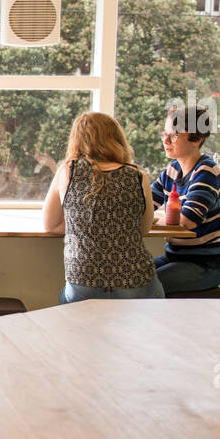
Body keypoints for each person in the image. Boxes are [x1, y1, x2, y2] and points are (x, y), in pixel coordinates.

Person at [42, 111, 163, 303]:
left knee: (68, 309)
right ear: (117, 139)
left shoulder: (67, 171)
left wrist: (84, 225)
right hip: (135, 282)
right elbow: (143, 228)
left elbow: (50, 225)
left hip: (84, 281)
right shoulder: (138, 175)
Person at [151, 106, 220, 293]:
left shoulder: (207, 172)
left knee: (146, 286)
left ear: (197, 139)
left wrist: (150, 219)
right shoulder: (172, 170)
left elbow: (186, 222)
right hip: (175, 258)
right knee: (130, 276)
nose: (166, 141)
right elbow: (143, 206)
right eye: (165, 134)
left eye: (174, 136)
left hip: (204, 265)